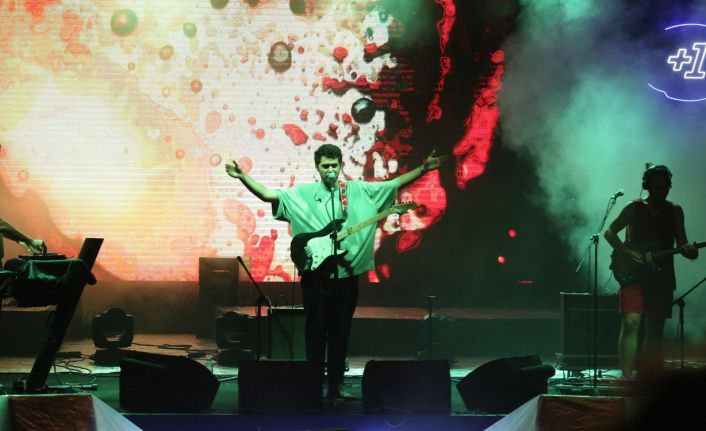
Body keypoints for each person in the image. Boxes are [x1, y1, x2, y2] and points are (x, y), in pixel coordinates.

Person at [226, 143, 445, 399]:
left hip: (346, 278)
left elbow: (394, 184)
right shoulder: (302, 193)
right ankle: (313, 383)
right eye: (325, 166)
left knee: (341, 333)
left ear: (341, 165)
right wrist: (242, 177)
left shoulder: (358, 190)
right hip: (316, 279)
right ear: (317, 167)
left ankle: (335, 385)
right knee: (315, 332)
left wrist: (423, 169)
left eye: (334, 165)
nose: (330, 170)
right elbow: (268, 195)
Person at [604, 163, 699, 379]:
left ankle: (648, 379)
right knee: (631, 323)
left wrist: (691, 251)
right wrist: (626, 252)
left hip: (661, 277)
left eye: (665, 187)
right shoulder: (634, 208)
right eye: (657, 187)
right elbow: (610, 232)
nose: (662, 192)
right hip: (633, 274)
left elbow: (683, 245)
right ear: (647, 186)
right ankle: (627, 377)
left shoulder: (675, 211)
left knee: (655, 330)